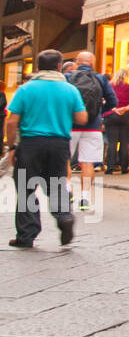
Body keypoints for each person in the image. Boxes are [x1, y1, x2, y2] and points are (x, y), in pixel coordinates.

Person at [4, 49, 87, 248]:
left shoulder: (26, 89)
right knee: (57, 185)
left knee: (26, 189)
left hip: (32, 143)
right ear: (59, 66)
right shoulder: (70, 90)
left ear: (38, 67)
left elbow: (11, 121)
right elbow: (82, 118)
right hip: (59, 144)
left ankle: (26, 235)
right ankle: (64, 216)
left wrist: (12, 146)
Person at [67, 51, 118, 212]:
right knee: (87, 162)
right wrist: (99, 112)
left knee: (65, 160)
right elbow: (113, 101)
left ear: (77, 62)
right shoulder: (101, 78)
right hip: (93, 126)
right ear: (92, 63)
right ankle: (85, 198)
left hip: (70, 125)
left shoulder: (68, 77)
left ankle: (67, 190)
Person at [103, 70, 129, 175]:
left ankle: (110, 167)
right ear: (126, 77)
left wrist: (113, 108)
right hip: (126, 116)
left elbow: (103, 100)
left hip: (110, 115)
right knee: (125, 143)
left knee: (112, 142)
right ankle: (124, 167)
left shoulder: (108, 86)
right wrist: (125, 108)